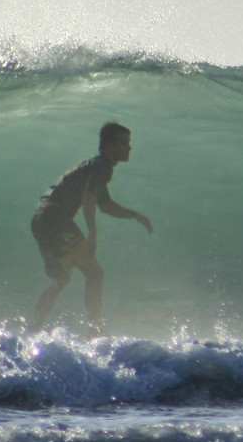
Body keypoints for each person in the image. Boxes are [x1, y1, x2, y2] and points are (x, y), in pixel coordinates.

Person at [28, 122, 154, 336]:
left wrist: (135, 215)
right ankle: (95, 331)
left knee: (61, 279)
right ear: (109, 145)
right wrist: (92, 234)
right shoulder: (103, 166)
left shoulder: (94, 167)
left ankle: (33, 328)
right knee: (94, 273)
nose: (129, 147)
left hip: (42, 219)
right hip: (56, 220)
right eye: (123, 143)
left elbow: (105, 205)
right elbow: (88, 196)